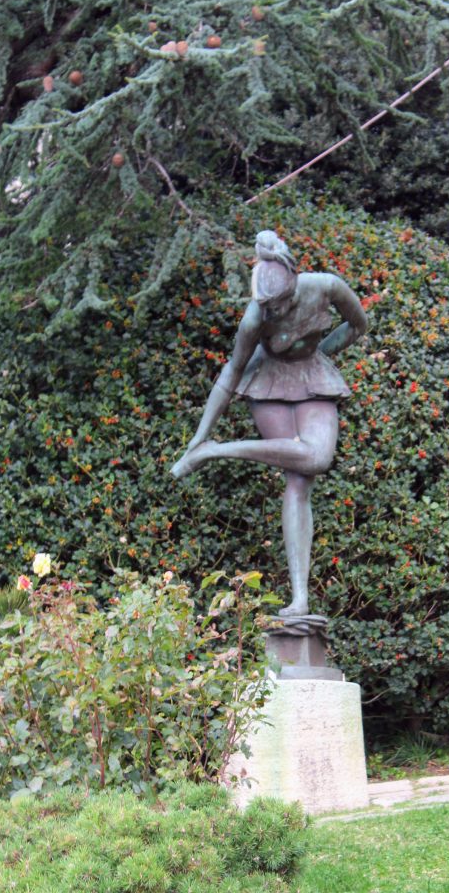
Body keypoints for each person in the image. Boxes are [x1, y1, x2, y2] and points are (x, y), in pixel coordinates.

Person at [171, 230, 367, 617]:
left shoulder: (326, 286)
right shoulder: (254, 320)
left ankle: (220, 453)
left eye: (278, 305)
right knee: (298, 479)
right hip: (269, 383)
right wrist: (198, 436)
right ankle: (300, 598)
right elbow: (230, 375)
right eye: (267, 308)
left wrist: (321, 355)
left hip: (312, 378)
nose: (272, 314)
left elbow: (358, 325)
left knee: (316, 459)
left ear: (294, 282)